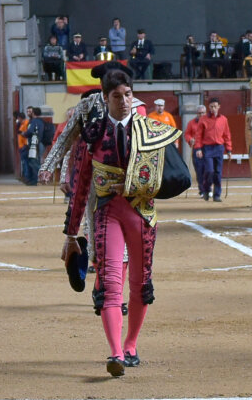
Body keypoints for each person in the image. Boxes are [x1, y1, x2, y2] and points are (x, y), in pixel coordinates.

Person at [47, 65, 183, 376]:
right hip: (108, 213)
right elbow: (81, 186)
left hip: (142, 215)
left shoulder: (150, 129)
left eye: (128, 95)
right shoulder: (92, 135)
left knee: (140, 283)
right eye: (117, 96)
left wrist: (135, 186)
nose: (124, 101)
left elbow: (176, 178)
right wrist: (70, 234)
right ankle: (116, 353)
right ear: (105, 98)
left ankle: (132, 345)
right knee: (110, 284)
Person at [195, 98, 232, 202]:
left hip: (219, 148)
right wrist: (198, 148)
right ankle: (206, 189)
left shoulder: (223, 119)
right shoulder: (203, 119)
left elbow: (227, 135)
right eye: (211, 107)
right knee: (209, 171)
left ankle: (217, 195)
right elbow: (198, 135)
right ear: (208, 107)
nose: (213, 109)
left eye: (215, 106)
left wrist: (229, 150)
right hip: (207, 148)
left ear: (219, 107)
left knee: (218, 172)